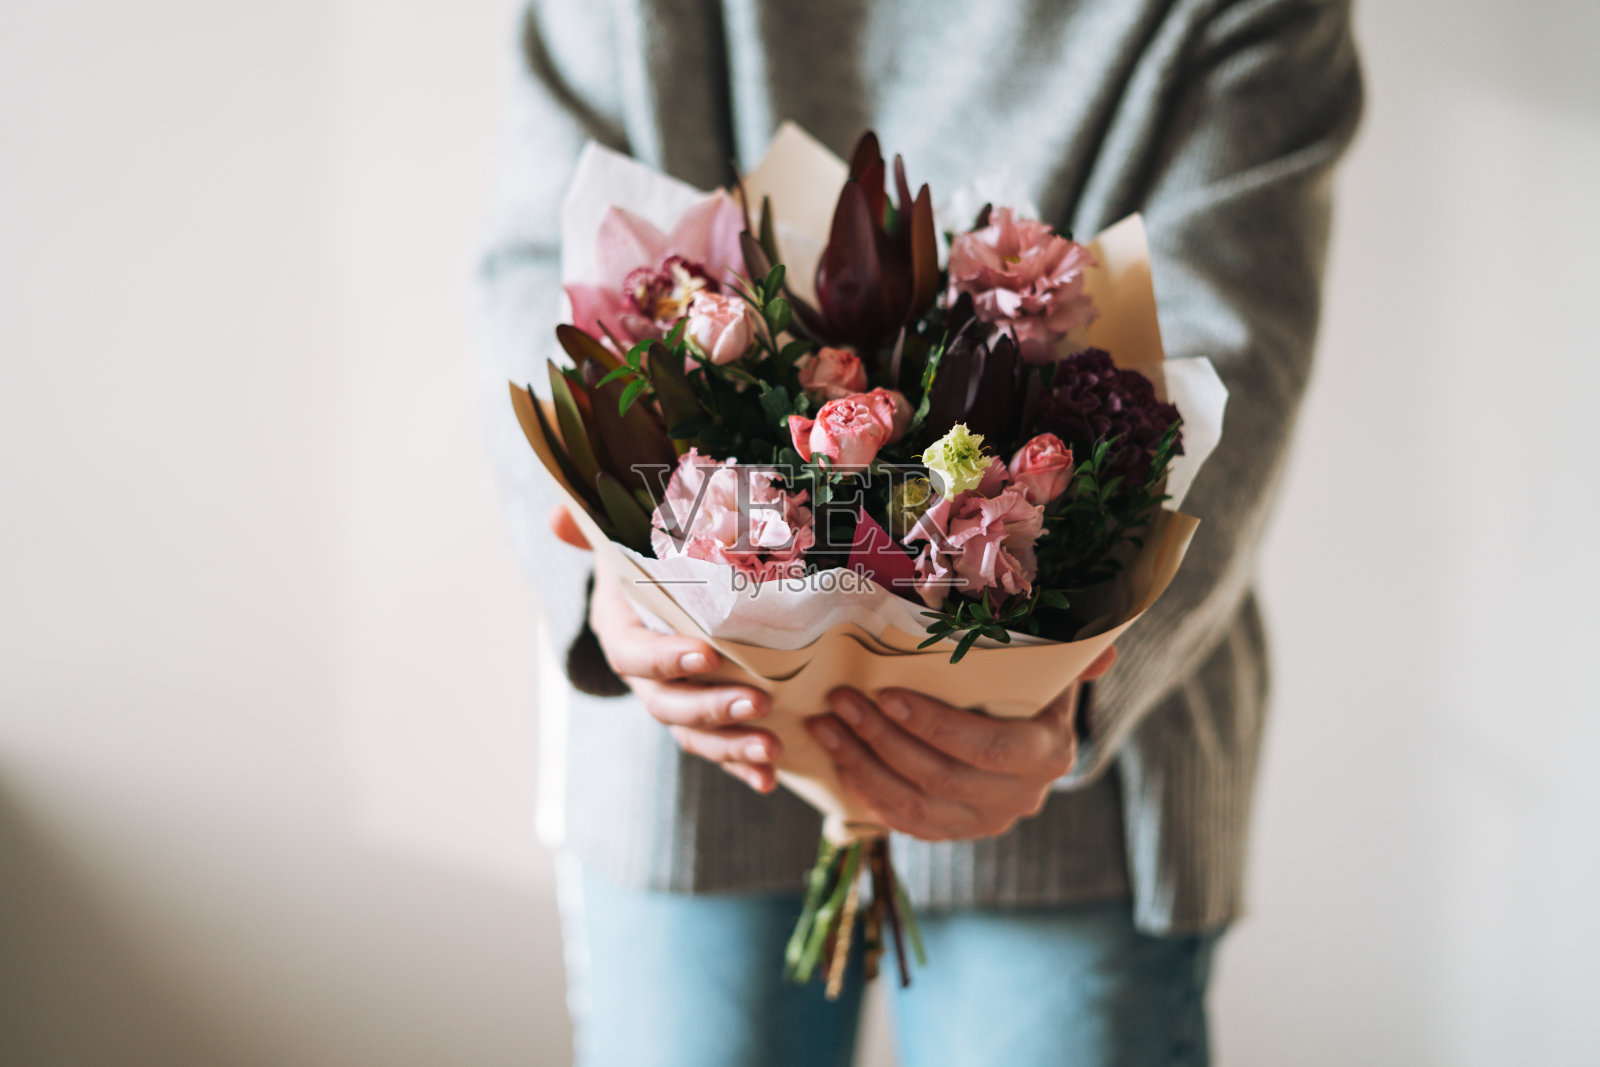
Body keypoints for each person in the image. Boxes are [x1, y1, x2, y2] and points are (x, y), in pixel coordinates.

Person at [475, 2, 1362, 1064]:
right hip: (695, 730)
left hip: (1060, 767)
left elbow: (1233, 355)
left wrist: (1066, 685)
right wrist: (609, 585)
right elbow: (543, 265)